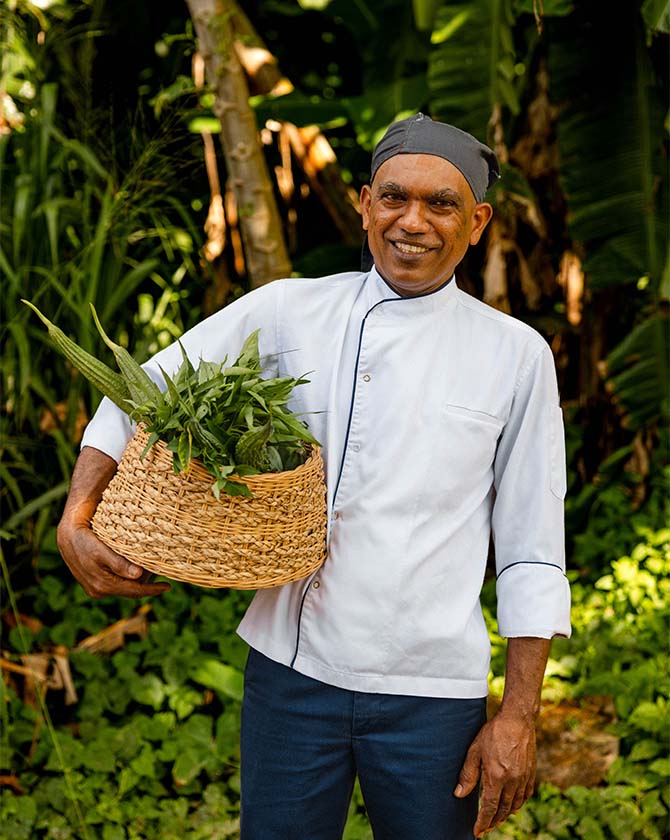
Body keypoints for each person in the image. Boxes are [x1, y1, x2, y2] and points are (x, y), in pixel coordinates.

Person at [57, 113, 571, 839]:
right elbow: (137, 392)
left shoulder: (515, 356)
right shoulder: (288, 310)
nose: (412, 222)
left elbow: (531, 549)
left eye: (441, 204)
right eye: (393, 197)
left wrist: (519, 715)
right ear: (365, 203)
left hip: (432, 691)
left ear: (478, 221)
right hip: (290, 678)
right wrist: (79, 513)